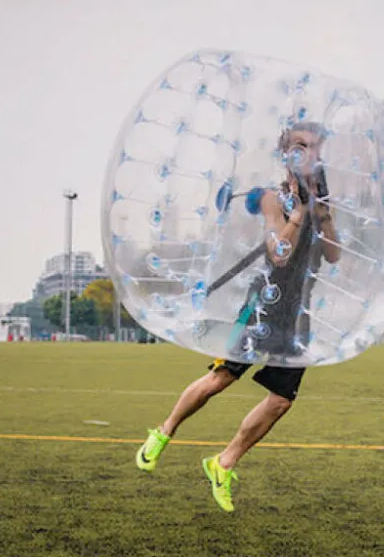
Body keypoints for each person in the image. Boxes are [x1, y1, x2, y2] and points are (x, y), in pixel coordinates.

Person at [135, 121, 340, 512]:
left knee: (281, 400)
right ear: (286, 152)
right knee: (221, 378)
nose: (309, 154)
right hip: (263, 305)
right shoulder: (270, 197)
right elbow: (279, 253)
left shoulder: (320, 199)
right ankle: (164, 432)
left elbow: (333, 256)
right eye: (301, 146)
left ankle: (223, 462)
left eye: (316, 148)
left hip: (298, 314)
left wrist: (324, 213)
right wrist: (298, 214)